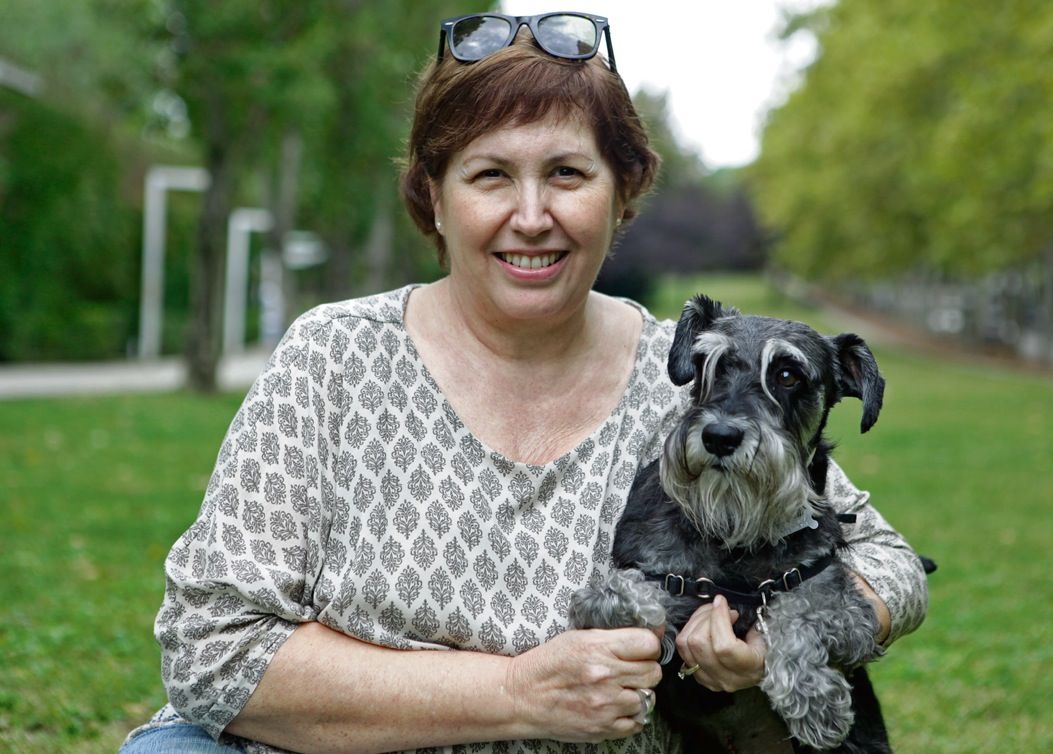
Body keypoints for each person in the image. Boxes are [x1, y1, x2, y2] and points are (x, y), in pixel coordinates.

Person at [121, 11, 927, 754]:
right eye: (490, 176)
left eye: (569, 174)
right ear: (433, 198)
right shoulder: (333, 358)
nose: (532, 214)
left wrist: (781, 642)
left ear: (623, 198)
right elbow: (210, 645)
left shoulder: (690, 378)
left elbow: (885, 561)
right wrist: (513, 694)